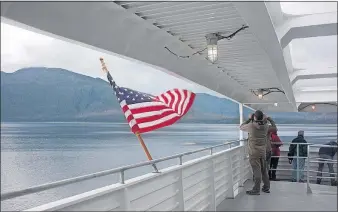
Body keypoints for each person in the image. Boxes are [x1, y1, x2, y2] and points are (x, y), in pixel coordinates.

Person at [240, 110, 272, 195]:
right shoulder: (266, 126)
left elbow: (241, 127)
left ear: (255, 117)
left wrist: (249, 119)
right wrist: (267, 119)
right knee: (264, 170)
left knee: (256, 170)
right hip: (262, 152)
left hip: (254, 152)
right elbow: (268, 124)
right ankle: (266, 187)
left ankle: (256, 189)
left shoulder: (251, 126)